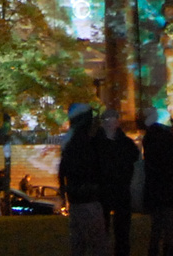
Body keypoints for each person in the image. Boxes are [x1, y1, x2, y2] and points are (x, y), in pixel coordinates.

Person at [60, 103, 110, 256]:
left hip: (76, 199)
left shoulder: (69, 143)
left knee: (78, 242)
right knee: (97, 243)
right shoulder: (89, 141)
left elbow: (62, 172)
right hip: (90, 199)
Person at [141, 108, 173, 256]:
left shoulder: (149, 138)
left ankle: (154, 251)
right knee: (170, 228)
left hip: (155, 190)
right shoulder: (170, 142)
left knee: (156, 227)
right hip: (170, 189)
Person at [99, 111, 140, 256]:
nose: (110, 122)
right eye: (107, 119)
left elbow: (135, 160)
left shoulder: (126, 143)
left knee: (122, 230)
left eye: (113, 119)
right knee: (101, 229)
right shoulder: (97, 143)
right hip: (102, 190)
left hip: (120, 189)